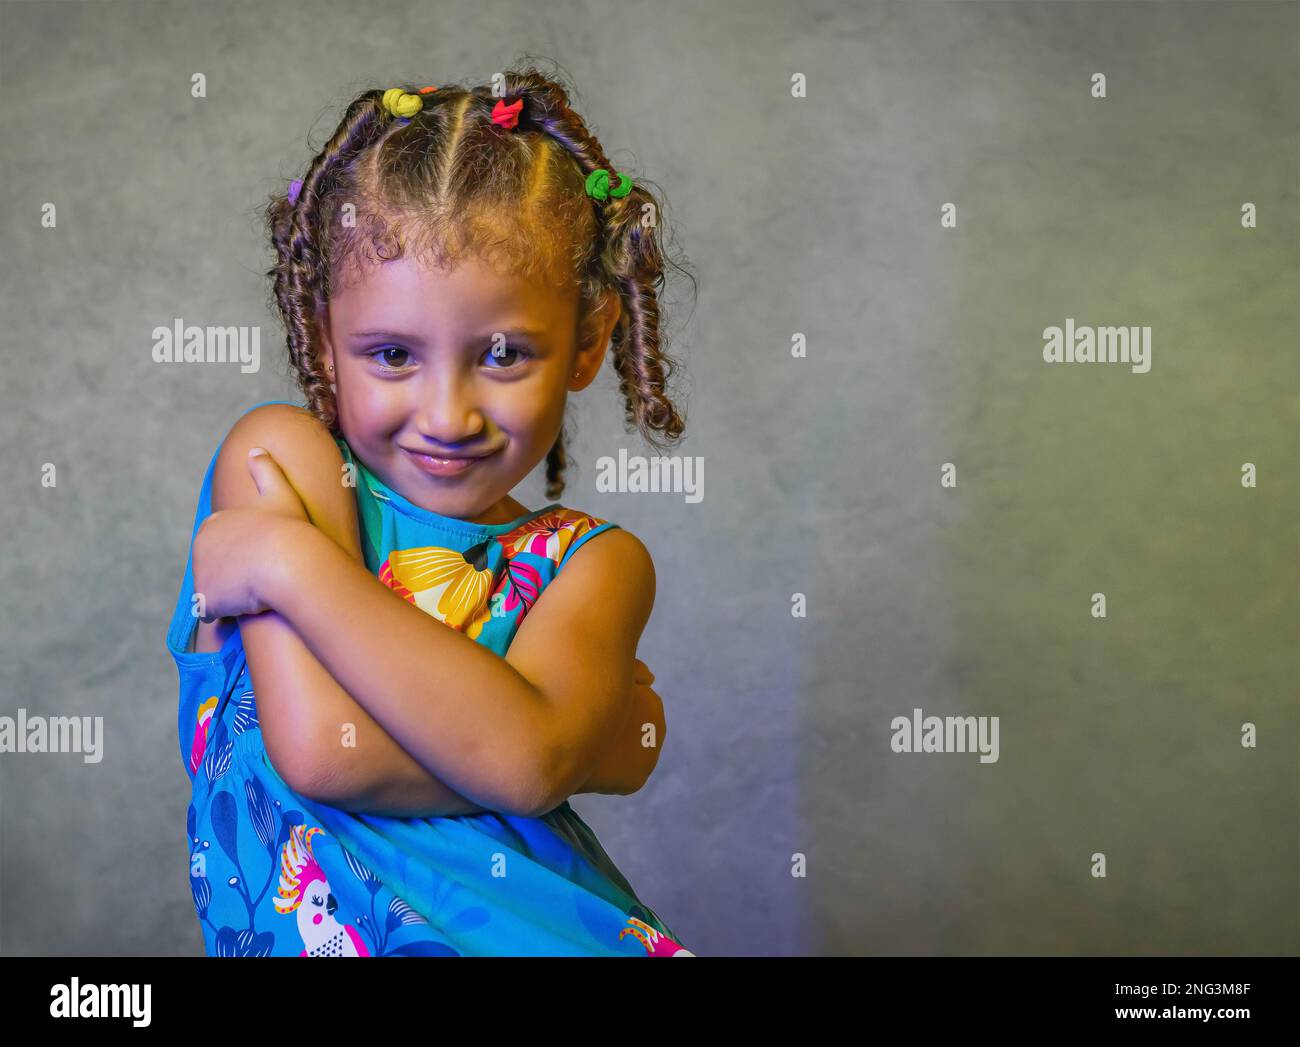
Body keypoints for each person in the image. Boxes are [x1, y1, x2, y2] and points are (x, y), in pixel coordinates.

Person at [164, 68, 694, 956]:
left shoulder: (592, 562)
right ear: (322, 340)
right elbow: (323, 753)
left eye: (503, 353)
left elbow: (525, 765)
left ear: (589, 342)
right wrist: (574, 749)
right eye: (393, 354)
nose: (449, 413)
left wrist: (291, 568)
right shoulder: (284, 463)